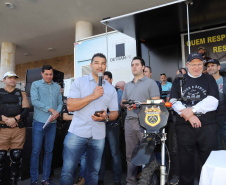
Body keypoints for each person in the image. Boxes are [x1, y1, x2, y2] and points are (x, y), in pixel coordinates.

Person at [60, 53, 119, 185]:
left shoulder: (110, 89)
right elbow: (70, 105)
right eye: (97, 63)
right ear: (91, 65)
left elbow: (115, 113)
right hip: (77, 133)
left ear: (105, 66)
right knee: (68, 171)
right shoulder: (80, 82)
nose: (100, 66)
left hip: (98, 136)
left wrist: (106, 117)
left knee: (93, 173)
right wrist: (93, 96)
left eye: (103, 63)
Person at [170, 53, 219, 185]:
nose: (196, 67)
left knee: (209, 160)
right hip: (184, 127)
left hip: (207, 126)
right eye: (193, 64)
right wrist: (190, 116)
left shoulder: (209, 79)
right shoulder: (179, 80)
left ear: (203, 64)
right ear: (187, 65)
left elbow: (213, 101)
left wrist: (192, 110)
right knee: (185, 161)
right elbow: (174, 101)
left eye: (199, 64)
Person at [121, 56, 160, 185]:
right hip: (129, 121)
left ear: (143, 67)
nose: (134, 67)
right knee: (130, 155)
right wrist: (126, 104)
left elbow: (156, 101)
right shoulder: (127, 85)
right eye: (132, 65)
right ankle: (130, 181)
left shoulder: (151, 83)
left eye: (137, 64)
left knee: (148, 154)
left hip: (145, 122)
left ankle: (152, 182)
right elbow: (122, 102)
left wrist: (138, 104)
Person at [30, 65, 63, 185]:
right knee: (36, 151)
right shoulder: (35, 85)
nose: (49, 77)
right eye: (47, 74)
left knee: (49, 151)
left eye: (51, 74)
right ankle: (33, 180)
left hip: (52, 123)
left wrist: (57, 112)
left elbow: (60, 103)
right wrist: (50, 109)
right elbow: (34, 101)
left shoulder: (56, 87)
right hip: (39, 122)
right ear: (42, 74)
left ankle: (45, 179)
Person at [0, 71, 29, 185]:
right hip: (2, 130)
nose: (13, 80)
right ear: (4, 80)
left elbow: (26, 110)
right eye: (10, 77)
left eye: (14, 78)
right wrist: (5, 119)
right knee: (1, 157)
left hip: (18, 130)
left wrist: (15, 119)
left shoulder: (21, 93)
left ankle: (13, 182)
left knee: (16, 156)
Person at [98, 71, 123, 185]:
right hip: (99, 125)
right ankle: (100, 179)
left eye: (106, 79)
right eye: (103, 79)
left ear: (111, 80)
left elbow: (116, 109)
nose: (104, 82)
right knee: (100, 153)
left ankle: (117, 180)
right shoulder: (98, 91)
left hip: (112, 125)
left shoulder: (116, 92)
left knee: (114, 153)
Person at [206, 59, 226, 150]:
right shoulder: (205, 84)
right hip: (211, 120)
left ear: (219, 67)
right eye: (208, 66)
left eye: (212, 65)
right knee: (216, 148)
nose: (210, 68)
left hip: (225, 118)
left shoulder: (224, 81)